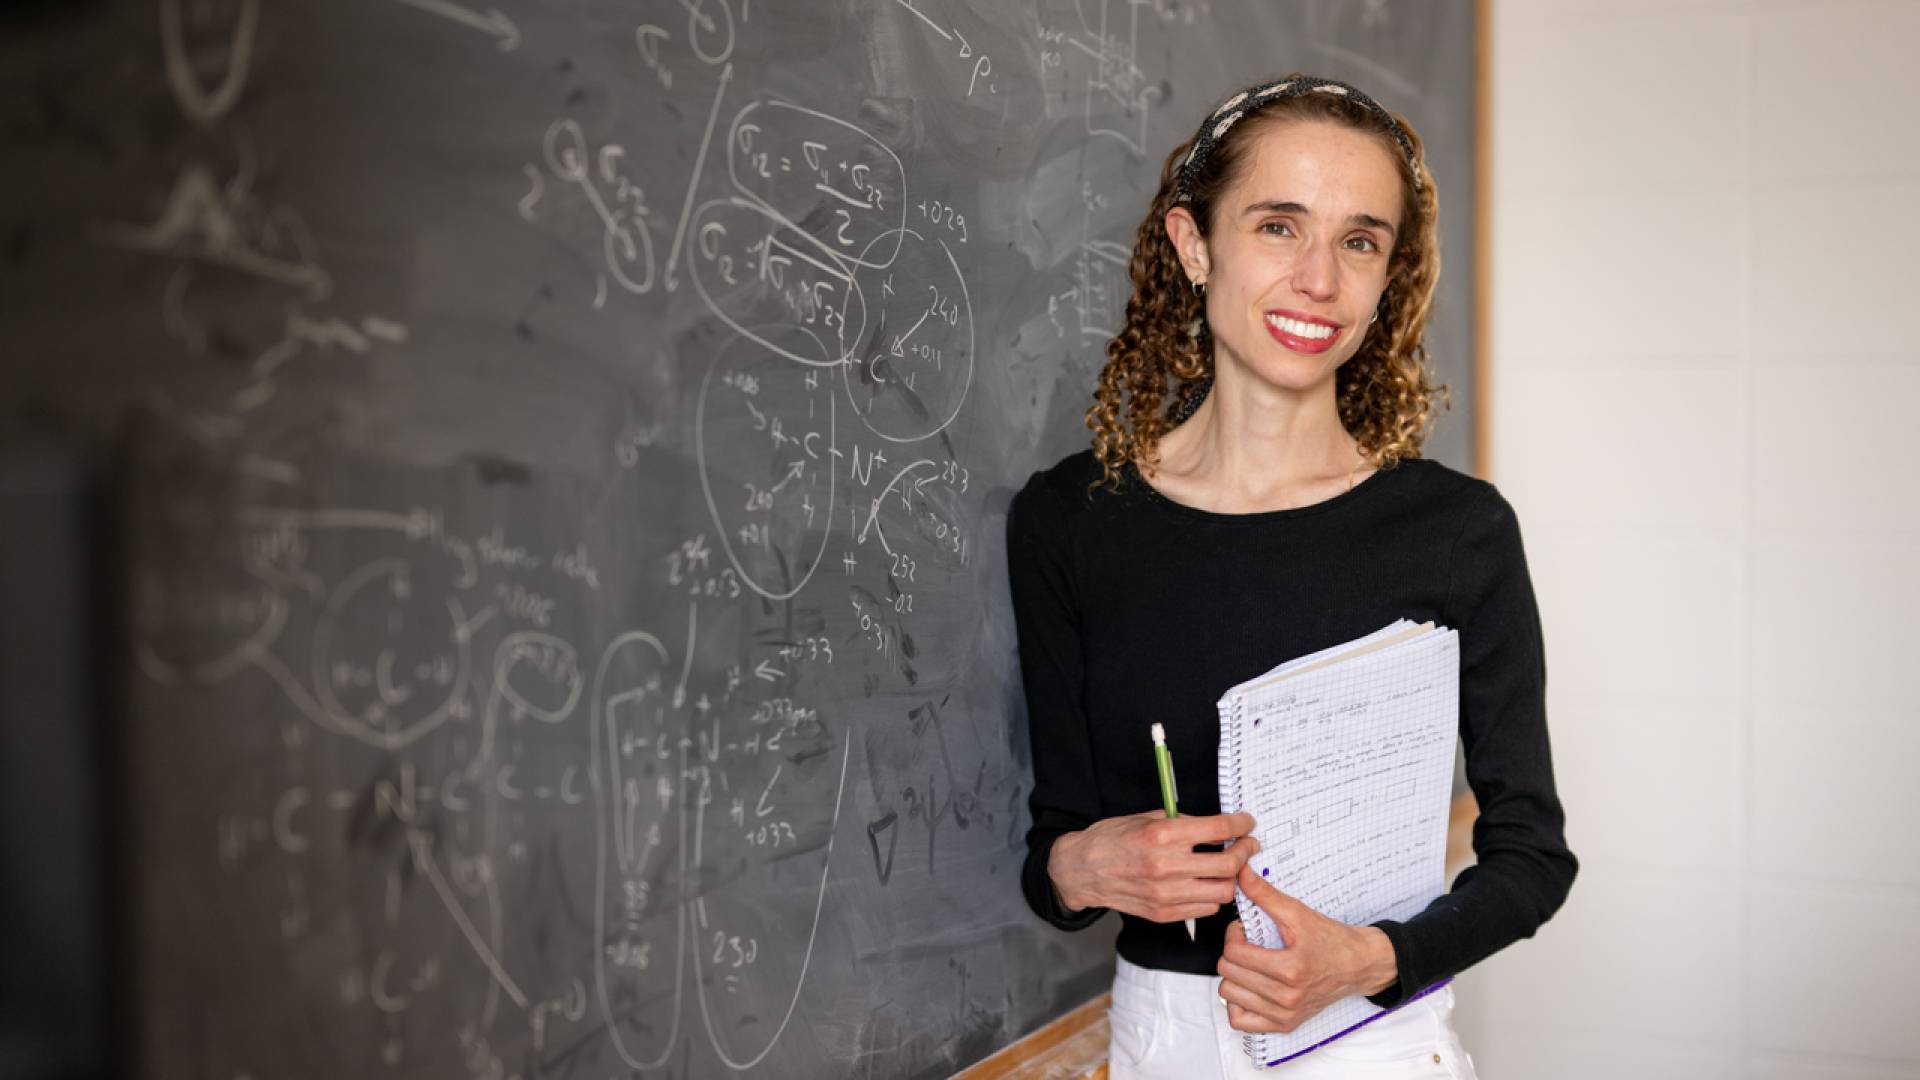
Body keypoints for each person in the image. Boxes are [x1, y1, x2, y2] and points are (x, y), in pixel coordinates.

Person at [1006, 74, 1577, 1078]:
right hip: (1164, 1043)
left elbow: (1533, 858)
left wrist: (1374, 960)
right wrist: (1083, 865)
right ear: (1195, 245)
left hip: (1374, 1038)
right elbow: (1056, 857)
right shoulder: (1072, 521)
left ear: (1386, 276)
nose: (1319, 279)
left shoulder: (1457, 532)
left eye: (1359, 242)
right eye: (1279, 226)